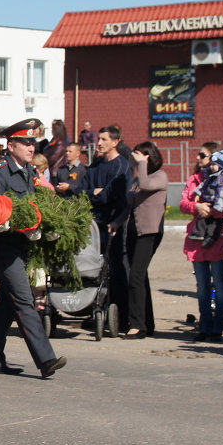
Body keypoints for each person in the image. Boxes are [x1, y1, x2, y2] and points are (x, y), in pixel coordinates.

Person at [0, 119, 67, 378]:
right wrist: (21, 227)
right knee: (24, 300)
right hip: (4, 247)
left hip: (22, 246)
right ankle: (45, 358)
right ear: (11, 145)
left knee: (7, 302)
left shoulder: (29, 171)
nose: (31, 147)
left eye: (33, 142)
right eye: (26, 143)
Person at [118, 141, 167, 339]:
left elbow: (147, 185)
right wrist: (116, 222)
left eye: (139, 154)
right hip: (133, 231)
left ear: (148, 156)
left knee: (136, 276)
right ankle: (147, 323)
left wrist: (142, 163)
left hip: (150, 232)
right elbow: (129, 205)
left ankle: (137, 325)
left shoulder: (159, 176)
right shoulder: (139, 179)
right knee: (140, 277)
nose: (135, 158)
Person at [181, 142, 223, 341]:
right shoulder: (194, 179)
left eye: (202, 155)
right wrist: (196, 207)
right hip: (197, 239)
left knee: (219, 283)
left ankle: (219, 325)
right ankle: (205, 324)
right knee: (202, 286)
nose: (198, 158)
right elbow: (184, 203)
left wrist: (212, 210)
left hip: (217, 238)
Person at [86, 125, 131, 324]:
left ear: (115, 142)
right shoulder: (96, 165)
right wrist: (93, 193)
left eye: (104, 139)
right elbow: (81, 191)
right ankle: (96, 310)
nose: (100, 143)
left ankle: (122, 315)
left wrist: (99, 194)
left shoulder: (122, 166)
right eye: (99, 139)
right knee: (93, 267)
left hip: (113, 224)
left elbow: (111, 195)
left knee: (116, 268)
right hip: (95, 224)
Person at [189, 149, 223, 248]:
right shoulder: (212, 176)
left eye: (214, 164)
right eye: (211, 164)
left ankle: (211, 237)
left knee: (215, 223)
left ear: (222, 166)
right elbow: (204, 185)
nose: (211, 167)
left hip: (218, 204)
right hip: (210, 200)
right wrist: (198, 193)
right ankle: (199, 234)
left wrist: (217, 207)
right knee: (203, 218)